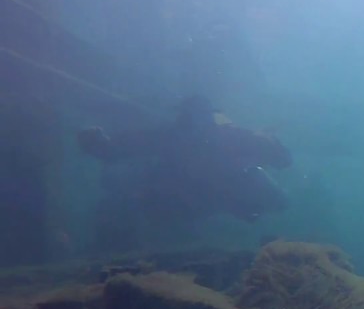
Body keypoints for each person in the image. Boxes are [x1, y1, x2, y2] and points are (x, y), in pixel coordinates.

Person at [78, 95, 293, 225]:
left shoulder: (231, 137)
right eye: (189, 119)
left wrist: (272, 147)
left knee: (266, 190)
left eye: (197, 118)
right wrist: (99, 145)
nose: (193, 125)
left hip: (217, 197)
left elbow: (282, 162)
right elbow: (122, 148)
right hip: (183, 201)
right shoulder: (171, 137)